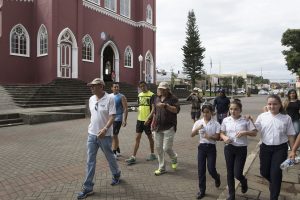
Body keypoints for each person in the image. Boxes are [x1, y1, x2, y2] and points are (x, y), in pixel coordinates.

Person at [77, 78, 121, 199]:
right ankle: (88, 187)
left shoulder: (110, 98)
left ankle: (116, 174)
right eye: (90, 86)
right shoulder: (91, 99)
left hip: (105, 135)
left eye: (94, 86)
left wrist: (105, 129)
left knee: (110, 156)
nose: (91, 88)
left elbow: (113, 116)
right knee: (90, 160)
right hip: (92, 134)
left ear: (101, 86)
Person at [255, 94, 296, 200]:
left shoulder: (286, 118)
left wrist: (292, 151)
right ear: (267, 105)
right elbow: (254, 129)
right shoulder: (262, 116)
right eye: (269, 104)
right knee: (264, 172)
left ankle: (274, 196)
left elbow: (291, 135)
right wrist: (248, 121)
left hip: (280, 149)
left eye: (274, 104)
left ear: (279, 105)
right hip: (265, 148)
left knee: (276, 173)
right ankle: (274, 183)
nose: (272, 106)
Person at [220, 99, 257, 200]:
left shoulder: (246, 119)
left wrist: (245, 132)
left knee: (237, 174)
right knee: (230, 172)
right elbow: (221, 132)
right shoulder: (226, 120)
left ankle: (243, 181)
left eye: (236, 109)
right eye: (231, 109)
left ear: (240, 110)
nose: (233, 111)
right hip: (229, 148)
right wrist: (224, 137)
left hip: (241, 149)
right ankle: (231, 195)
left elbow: (254, 133)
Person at [148, 81, 180, 175]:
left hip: (169, 127)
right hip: (157, 126)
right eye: (160, 89)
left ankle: (174, 157)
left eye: (163, 89)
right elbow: (155, 112)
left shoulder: (173, 98)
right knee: (158, 148)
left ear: (167, 90)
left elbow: (176, 110)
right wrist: (152, 123)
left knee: (166, 148)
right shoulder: (156, 98)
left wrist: (166, 106)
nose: (161, 90)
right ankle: (162, 168)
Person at [191, 103, 221, 199]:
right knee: (201, 170)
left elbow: (217, 137)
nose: (205, 114)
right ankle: (202, 190)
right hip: (202, 147)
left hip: (211, 148)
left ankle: (217, 177)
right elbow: (192, 135)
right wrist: (197, 129)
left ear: (211, 112)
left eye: (207, 112)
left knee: (211, 169)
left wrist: (209, 136)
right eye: (203, 112)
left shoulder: (216, 124)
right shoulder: (198, 122)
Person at [125, 81, 157, 164]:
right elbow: (140, 107)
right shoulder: (139, 95)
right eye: (141, 86)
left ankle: (152, 154)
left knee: (150, 137)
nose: (142, 88)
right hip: (139, 120)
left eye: (144, 86)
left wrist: (148, 118)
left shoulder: (152, 95)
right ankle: (133, 156)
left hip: (148, 120)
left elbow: (153, 109)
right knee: (137, 138)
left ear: (146, 86)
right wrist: (135, 109)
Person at [111, 82, 128, 158]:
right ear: (112, 88)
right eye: (115, 87)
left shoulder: (122, 97)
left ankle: (114, 152)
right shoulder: (109, 96)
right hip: (111, 119)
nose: (116, 88)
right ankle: (117, 149)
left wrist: (125, 120)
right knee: (114, 135)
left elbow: (125, 108)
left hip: (118, 119)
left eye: (117, 87)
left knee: (114, 135)